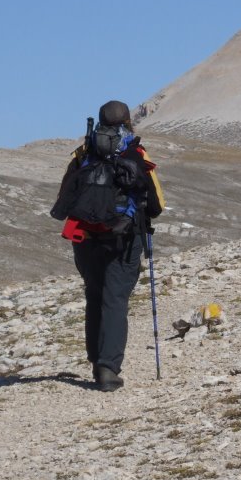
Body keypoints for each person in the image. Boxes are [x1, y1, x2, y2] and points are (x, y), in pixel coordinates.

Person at [52, 100, 165, 391]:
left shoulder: (82, 154)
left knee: (95, 294)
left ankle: (96, 361)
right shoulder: (135, 152)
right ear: (128, 121)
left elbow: (66, 196)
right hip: (123, 238)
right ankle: (108, 369)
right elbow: (156, 204)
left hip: (86, 237)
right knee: (115, 299)